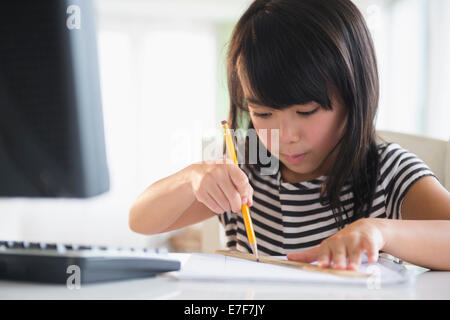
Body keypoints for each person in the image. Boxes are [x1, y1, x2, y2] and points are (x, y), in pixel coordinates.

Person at [129, 0, 450, 271]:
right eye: (264, 114)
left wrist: (381, 231)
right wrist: (193, 178)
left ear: (354, 96)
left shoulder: (388, 171)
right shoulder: (243, 162)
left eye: (306, 112)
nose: (283, 136)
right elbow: (141, 221)